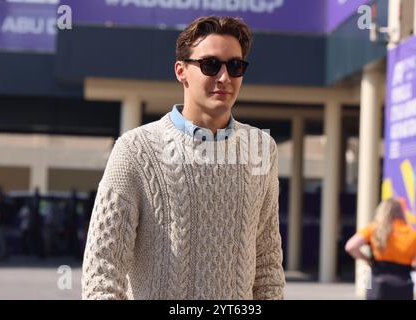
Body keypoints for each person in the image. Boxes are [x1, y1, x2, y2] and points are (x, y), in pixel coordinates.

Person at [82, 16, 285, 300]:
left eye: (235, 66)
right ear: (181, 71)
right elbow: (101, 274)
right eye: (210, 65)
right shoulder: (134, 149)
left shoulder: (262, 148)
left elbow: (268, 264)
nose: (224, 77)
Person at [345, 198, 416, 300]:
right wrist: (409, 267)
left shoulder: (374, 229)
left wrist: (367, 259)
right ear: (401, 213)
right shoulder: (414, 235)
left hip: (377, 285)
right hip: (403, 286)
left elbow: (350, 246)